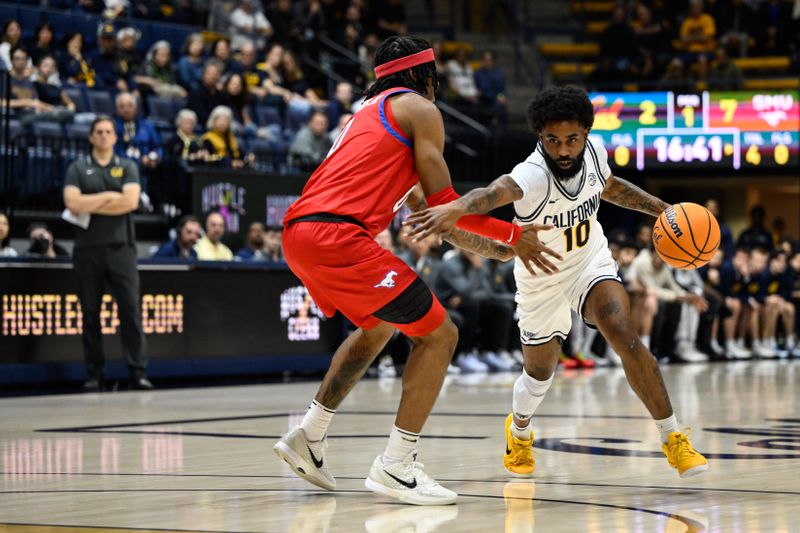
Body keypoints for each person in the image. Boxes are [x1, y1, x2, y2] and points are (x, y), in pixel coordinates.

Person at [272, 35, 554, 506]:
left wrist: (496, 251)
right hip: (339, 234)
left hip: (299, 233)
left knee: (378, 326)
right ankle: (397, 464)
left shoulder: (368, 117)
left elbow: (433, 219)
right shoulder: (420, 110)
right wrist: (511, 235)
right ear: (426, 77)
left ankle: (309, 435)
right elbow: (449, 204)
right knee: (440, 335)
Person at [406, 85, 709, 479]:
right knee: (540, 372)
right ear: (539, 137)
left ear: (585, 133)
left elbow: (610, 186)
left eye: (571, 139)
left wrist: (661, 210)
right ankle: (518, 431)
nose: (563, 149)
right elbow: (492, 194)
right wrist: (455, 207)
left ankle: (673, 438)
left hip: (589, 262)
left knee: (623, 332)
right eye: (553, 140)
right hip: (540, 276)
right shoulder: (531, 176)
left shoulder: (595, 152)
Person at [62, 116, 152, 392]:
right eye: (98, 132)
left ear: (115, 137)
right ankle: (94, 373)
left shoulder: (127, 166)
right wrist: (111, 198)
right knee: (90, 313)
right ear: (91, 137)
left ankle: (137, 372)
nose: (103, 136)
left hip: (121, 248)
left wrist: (92, 202)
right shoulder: (78, 167)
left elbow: (131, 201)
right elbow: (72, 203)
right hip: (87, 249)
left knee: (130, 311)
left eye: (108, 132)